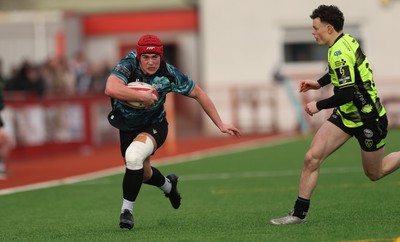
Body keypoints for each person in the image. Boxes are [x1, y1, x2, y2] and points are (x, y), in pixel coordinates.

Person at [270, 5, 400, 225]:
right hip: (346, 116)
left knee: (375, 173)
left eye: (315, 28)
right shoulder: (345, 41)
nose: (313, 32)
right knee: (312, 157)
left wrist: (318, 105)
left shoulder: (339, 51)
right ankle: (299, 214)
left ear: (329, 28)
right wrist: (318, 83)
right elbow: (339, 72)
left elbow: (347, 93)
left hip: (369, 118)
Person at [104, 34, 241, 230]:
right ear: (138, 57)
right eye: (145, 58)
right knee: (143, 173)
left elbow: (198, 93)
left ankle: (127, 212)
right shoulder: (128, 64)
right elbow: (110, 88)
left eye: (155, 58)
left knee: (133, 156)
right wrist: (141, 96)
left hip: (154, 125)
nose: (150, 62)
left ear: (161, 57)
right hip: (127, 125)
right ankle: (169, 186)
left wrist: (219, 123)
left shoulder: (169, 74)